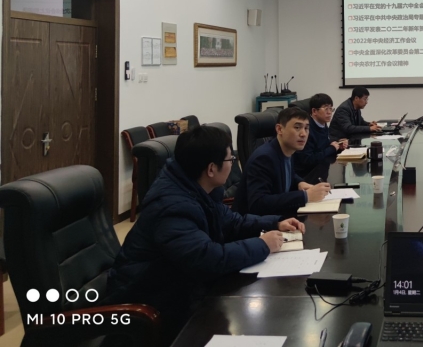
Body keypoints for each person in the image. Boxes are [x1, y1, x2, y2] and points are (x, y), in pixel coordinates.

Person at [106, 125, 305, 341]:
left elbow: (231, 221)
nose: (233, 164)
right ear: (211, 169)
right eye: (230, 159)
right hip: (152, 303)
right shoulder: (172, 207)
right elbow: (207, 259)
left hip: (180, 287)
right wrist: (263, 245)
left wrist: (275, 223)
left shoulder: (197, 186)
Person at [233, 107, 331, 216]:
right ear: (279, 129)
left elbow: (287, 173)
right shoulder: (264, 158)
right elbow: (258, 203)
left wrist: (300, 183)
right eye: (297, 127)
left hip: (278, 216)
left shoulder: (287, 149)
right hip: (255, 223)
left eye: (306, 128)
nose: (303, 134)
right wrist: (305, 196)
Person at [294, 92, 348, 178]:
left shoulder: (322, 124)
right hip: (307, 175)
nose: (329, 112)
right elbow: (308, 159)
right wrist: (332, 149)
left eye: (331, 108)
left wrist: (338, 144)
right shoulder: (307, 130)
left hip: (321, 170)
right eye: (326, 109)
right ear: (314, 111)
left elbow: (322, 144)